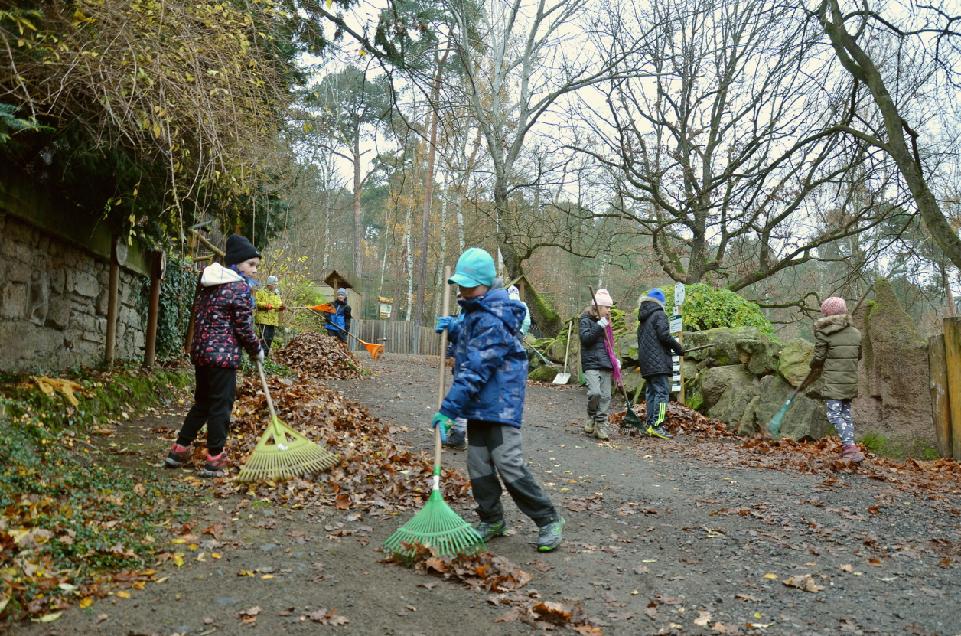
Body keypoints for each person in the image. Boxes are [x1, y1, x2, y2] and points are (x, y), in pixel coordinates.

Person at [433, 247, 564, 552]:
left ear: (485, 284)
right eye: (460, 285)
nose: (462, 290)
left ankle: (547, 519)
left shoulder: (494, 317)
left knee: (508, 463)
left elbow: (477, 368)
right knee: (478, 464)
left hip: (500, 404)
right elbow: (469, 334)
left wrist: (448, 410)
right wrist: (454, 328)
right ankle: (492, 519)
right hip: (479, 404)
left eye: (468, 285)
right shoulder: (475, 309)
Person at [165, 234, 264, 477]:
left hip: (201, 354)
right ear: (237, 263)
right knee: (221, 405)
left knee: (203, 402)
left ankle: (179, 449)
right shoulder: (239, 288)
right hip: (223, 357)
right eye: (251, 264)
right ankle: (215, 457)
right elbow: (243, 327)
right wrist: (256, 349)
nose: (253, 270)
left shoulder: (208, 284)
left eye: (256, 266)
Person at [809, 297, 865, 463]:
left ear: (826, 314)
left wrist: (813, 365)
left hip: (834, 382)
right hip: (850, 380)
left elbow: (819, 357)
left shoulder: (824, 332)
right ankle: (850, 447)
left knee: (833, 415)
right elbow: (859, 355)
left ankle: (849, 447)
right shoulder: (856, 333)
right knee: (845, 415)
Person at [636, 288, 684, 440]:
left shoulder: (642, 319)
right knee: (662, 393)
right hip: (658, 363)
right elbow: (664, 335)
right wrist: (678, 348)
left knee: (651, 393)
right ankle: (658, 425)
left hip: (646, 363)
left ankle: (650, 424)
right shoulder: (659, 314)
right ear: (661, 302)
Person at [579, 288, 619, 441]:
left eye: (610, 307)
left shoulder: (608, 323)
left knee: (606, 397)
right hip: (591, 363)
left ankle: (601, 425)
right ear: (597, 306)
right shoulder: (585, 320)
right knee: (595, 393)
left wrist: (615, 360)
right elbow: (586, 339)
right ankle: (591, 416)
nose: (609, 310)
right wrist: (599, 326)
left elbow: (610, 345)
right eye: (607, 307)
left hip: (606, 363)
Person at [254, 275, 284, 356]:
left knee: (270, 339)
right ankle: (260, 356)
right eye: (274, 284)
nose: (275, 286)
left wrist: (281, 307)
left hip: (273, 321)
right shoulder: (261, 292)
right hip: (263, 320)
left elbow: (278, 304)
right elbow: (256, 303)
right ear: (269, 284)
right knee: (264, 339)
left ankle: (265, 356)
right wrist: (265, 305)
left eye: (276, 284)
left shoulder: (276, 294)